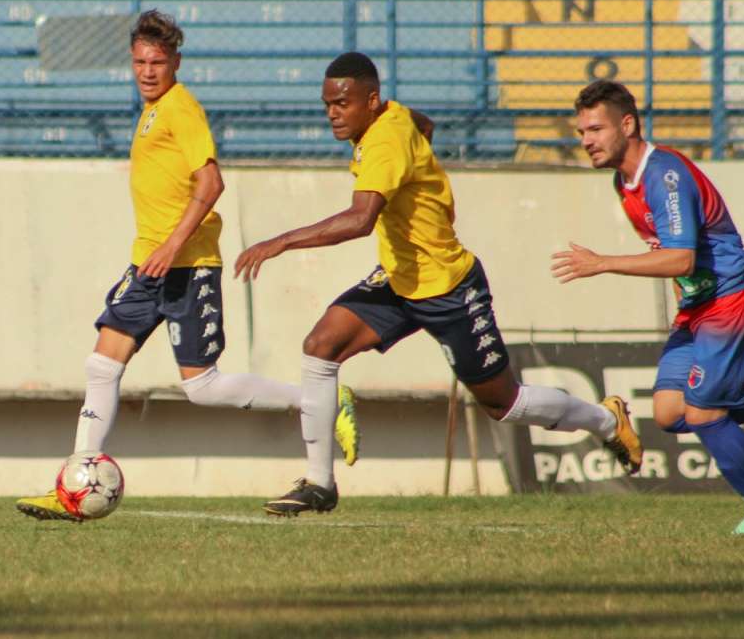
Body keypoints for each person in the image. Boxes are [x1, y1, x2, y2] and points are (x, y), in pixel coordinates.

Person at [234, 52, 643, 517]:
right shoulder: (392, 117)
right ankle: (320, 484)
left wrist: (280, 241)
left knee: (503, 404)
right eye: (327, 103)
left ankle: (606, 420)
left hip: (449, 287)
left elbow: (361, 219)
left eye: (343, 103)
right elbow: (423, 124)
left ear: (370, 100)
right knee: (320, 346)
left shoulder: (385, 142)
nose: (333, 113)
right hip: (399, 280)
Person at [16, 11, 359, 521]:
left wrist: (173, 245)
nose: (147, 71)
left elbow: (211, 182)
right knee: (101, 364)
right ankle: (74, 483)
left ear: (175, 60)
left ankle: (321, 400)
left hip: (186, 265)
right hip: (149, 268)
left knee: (202, 387)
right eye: (139, 61)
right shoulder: (153, 110)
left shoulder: (181, 109)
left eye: (157, 61)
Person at [553, 80, 744, 535]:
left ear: (628, 123)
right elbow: (673, 257)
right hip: (698, 307)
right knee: (668, 412)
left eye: (595, 129)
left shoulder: (665, 175)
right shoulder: (623, 182)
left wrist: (602, 263)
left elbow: (680, 257)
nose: (586, 141)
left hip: (728, 297)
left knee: (702, 412)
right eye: (582, 131)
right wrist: (685, 308)